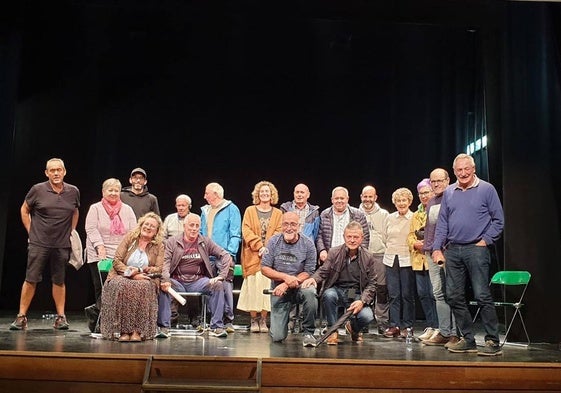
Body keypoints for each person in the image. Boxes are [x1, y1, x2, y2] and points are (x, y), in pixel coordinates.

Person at [432, 153, 505, 356]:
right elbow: (443, 222)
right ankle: (468, 339)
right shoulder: (449, 192)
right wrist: (437, 247)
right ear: (454, 172)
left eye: (467, 169)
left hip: (476, 248)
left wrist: (485, 241)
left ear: (473, 169)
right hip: (453, 249)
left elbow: (498, 220)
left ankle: (492, 341)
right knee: (454, 296)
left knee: (482, 295)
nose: (463, 173)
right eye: (459, 170)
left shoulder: (486, 189)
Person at [10, 158, 80, 331]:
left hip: (61, 244)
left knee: (59, 280)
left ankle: (61, 317)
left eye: (59, 170)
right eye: (52, 170)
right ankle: (21, 316)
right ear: (46, 173)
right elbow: (24, 209)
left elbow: (75, 211)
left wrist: (70, 232)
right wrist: (30, 231)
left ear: (64, 171)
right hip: (39, 242)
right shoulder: (38, 189)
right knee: (31, 278)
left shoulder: (73, 191)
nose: (56, 173)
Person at [301, 221, 377, 345]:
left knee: (367, 316)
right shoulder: (334, 252)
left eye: (356, 237)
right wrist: (313, 279)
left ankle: (354, 329)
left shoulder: (368, 257)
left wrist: (362, 301)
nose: (352, 240)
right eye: (349, 237)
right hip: (338, 289)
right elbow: (323, 271)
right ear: (344, 237)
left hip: (357, 293)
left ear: (361, 238)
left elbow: (373, 283)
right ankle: (332, 331)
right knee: (329, 295)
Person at [158, 213, 233, 338]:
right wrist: (165, 280)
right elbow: (165, 264)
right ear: (184, 226)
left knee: (218, 285)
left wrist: (222, 276)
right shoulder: (172, 242)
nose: (194, 228)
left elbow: (225, 255)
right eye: (191, 225)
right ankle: (164, 327)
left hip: (198, 281)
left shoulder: (205, 241)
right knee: (164, 286)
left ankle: (217, 326)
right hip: (177, 281)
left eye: (197, 226)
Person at [100, 212, 164, 342]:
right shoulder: (130, 238)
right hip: (121, 275)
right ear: (141, 225)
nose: (148, 227)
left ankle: (136, 331)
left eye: (152, 226)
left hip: (146, 277)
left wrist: (140, 271)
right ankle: (124, 331)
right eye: (146, 224)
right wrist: (131, 273)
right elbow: (117, 261)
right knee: (122, 286)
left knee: (143, 287)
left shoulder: (159, 245)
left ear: (156, 231)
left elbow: (159, 268)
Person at [84, 178, 137, 332]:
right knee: (103, 289)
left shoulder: (127, 209)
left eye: (116, 190)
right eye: (110, 190)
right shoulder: (95, 208)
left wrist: (127, 252)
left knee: (118, 288)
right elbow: (91, 229)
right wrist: (100, 247)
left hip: (120, 256)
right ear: (103, 192)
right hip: (99, 255)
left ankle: (95, 313)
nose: (113, 193)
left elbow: (133, 232)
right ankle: (102, 323)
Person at [261, 211, 318, 347]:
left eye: (293, 224)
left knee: (310, 292)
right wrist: (286, 278)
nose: (289, 227)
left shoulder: (308, 244)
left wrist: (286, 284)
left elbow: (309, 271)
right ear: (281, 226)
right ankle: (281, 326)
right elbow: (264, 268)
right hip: (279, 290)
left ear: (299, 226)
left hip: (300, 287)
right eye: (286, 224)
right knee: (277, 337)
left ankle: (308, 332)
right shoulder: (274, 241)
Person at [237, 180, 283, 333]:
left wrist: (267, 248)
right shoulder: (250, 210)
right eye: (262, 192)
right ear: (257, 194)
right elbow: (246, 230)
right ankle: (253, 319)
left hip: (270, 257)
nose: (264, 194)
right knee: (253, 288)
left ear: (272, 195)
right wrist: (259, 246)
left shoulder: (278, 213)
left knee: (265, 287)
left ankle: (263, 319)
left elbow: (279, 231)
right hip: (252, 255)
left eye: (267, 192)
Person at [422, 168, 459, 347]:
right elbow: (430, 228)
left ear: (448, 180)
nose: (436, 184)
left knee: (452, 293)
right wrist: (428, 248)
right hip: (431, 252)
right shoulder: (431, 201)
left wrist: (443, 249)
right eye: (433, 181)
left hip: (448, 251)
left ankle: (455, 333)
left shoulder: (453, 197)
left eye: (439, 181)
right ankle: (444, 332)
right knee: (438, 293)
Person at [200, 182, 242, 333]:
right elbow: (200, 233)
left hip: (224, 255)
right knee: (209, 285)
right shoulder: (205, 211)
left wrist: (230, 254)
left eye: (207, 193)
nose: (204, 196)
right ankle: (212, 319)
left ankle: (228, 319)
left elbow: (236, 233)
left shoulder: (232, 208)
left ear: (216, 194)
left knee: (225, 285)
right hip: (207, 255)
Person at [279, 183, 320, 332]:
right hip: (288, 252)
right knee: (289, 284)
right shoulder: (285, 209)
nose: (299, 195)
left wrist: (313, 251)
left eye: (302, 192)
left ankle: (304, 323)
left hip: (306, 252)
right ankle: (289, 322)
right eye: (297, 192)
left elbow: (317, 233)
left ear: (308, 194)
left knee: (304, 288)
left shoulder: (314, 212)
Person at [407, 178, 438, 341]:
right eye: (421, 194)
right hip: (419, 261)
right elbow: (410, 235)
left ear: (433, 192)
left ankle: (440, 327)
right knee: (423, 294)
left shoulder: (438, 209)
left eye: (426, 192)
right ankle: (431, 325)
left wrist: (428, 244)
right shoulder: (416, 214)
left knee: (435, 294)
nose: (424, 196)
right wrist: (415, 244)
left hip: (434, 258)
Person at [382, 187, 415, 339]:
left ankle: (408, 326)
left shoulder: (414, 218)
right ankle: (394, 324)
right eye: (398, 201)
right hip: (390, 259)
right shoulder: (389, 217)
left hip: (407, 259)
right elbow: (384, 237)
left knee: (407, 294)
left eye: (404, 200)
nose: (401, 203)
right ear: (394, 203)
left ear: (409, 202)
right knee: (394, 294)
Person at [359, 185, 390, 335]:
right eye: (365, 196)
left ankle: (382, 322)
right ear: (361, 197)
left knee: (381, 290)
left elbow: (388, 236)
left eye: (370, 196)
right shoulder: (354, 213)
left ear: (375, 197)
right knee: (362, 290)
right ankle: (362, 321)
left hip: (379, 255)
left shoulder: (384, 214)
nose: (367, 199)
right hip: (361, 256)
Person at [316, 186, 369, 266]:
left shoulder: (358, 215)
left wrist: (358, 256)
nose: (339, 201)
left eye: (342, 198)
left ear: (347, 199)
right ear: (332, 200)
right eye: (336, 198)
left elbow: (365, 237)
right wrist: (322, 250)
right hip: (329, 259)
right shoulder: (324, 214)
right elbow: (319, 236)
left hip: (351, 260)